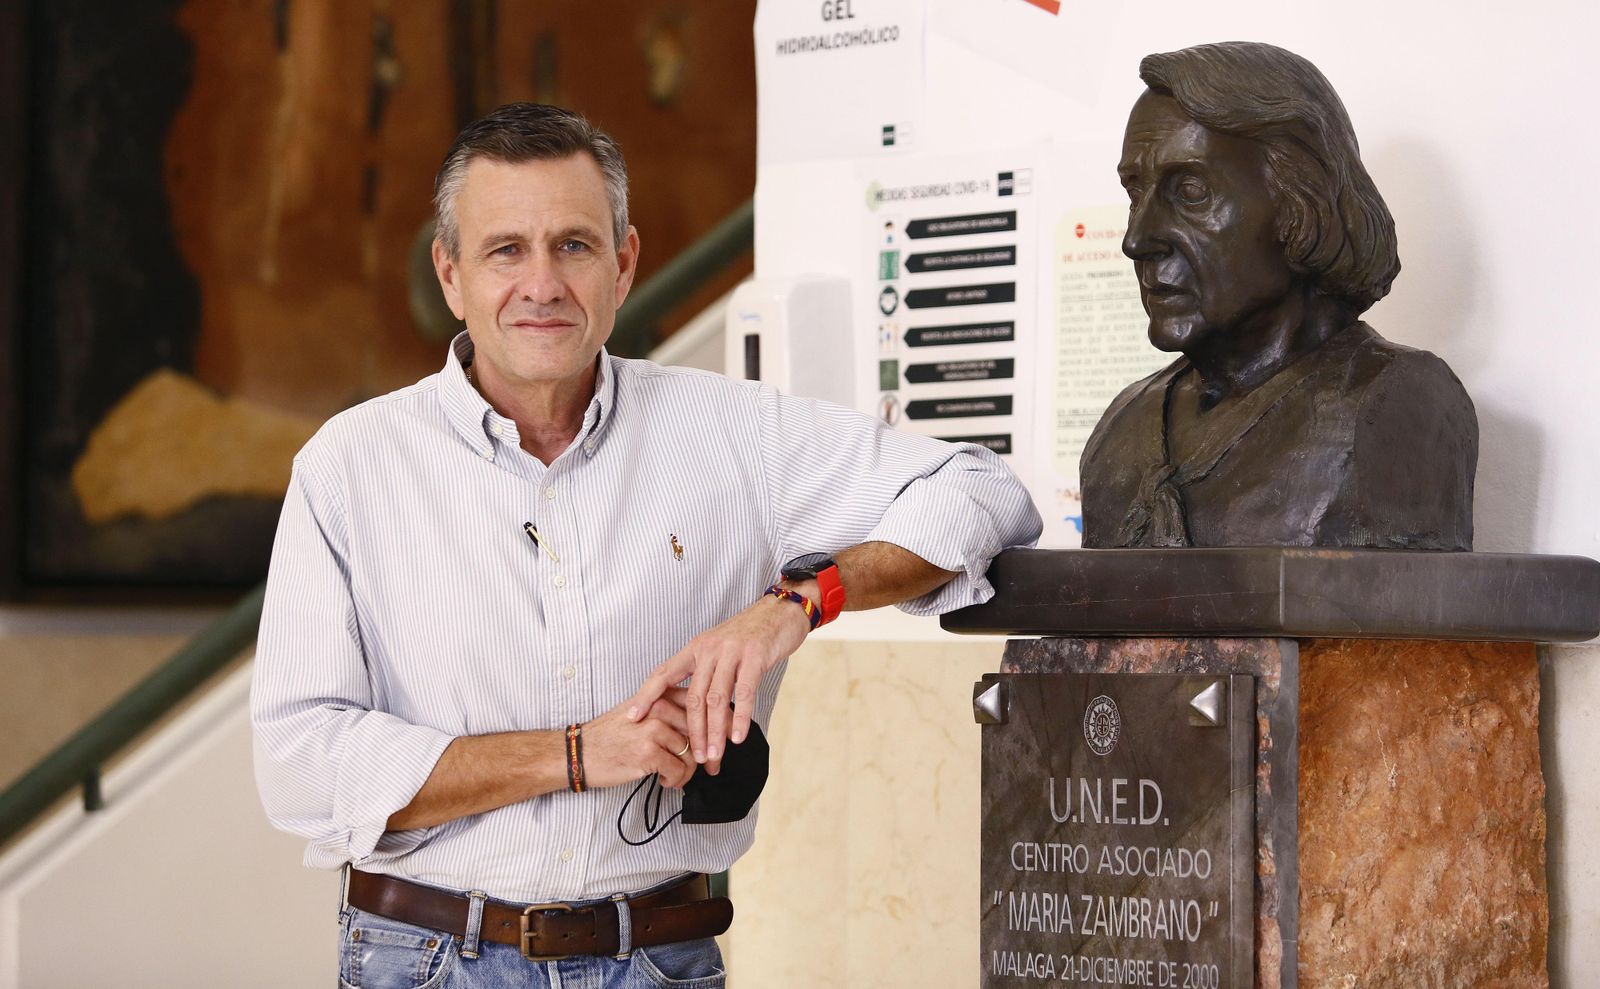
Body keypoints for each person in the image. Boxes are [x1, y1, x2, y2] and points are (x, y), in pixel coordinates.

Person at [250, 102, 1040, 988]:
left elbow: (981, 492)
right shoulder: (349, 467)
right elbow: (301, 763)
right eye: (505, 249)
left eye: (575, 246)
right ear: (450, 274)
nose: (542, 283)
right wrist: (579, 753)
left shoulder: (735, 433)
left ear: (624, 265)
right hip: (424, 959)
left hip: (657, 959)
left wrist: (795, 604)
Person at [1080, 42, 1477, 550]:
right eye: (1136, 194)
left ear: (1301, 203)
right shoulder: (1123, 425)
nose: (1137, 239)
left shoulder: (1396, 403)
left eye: (1192, 192)